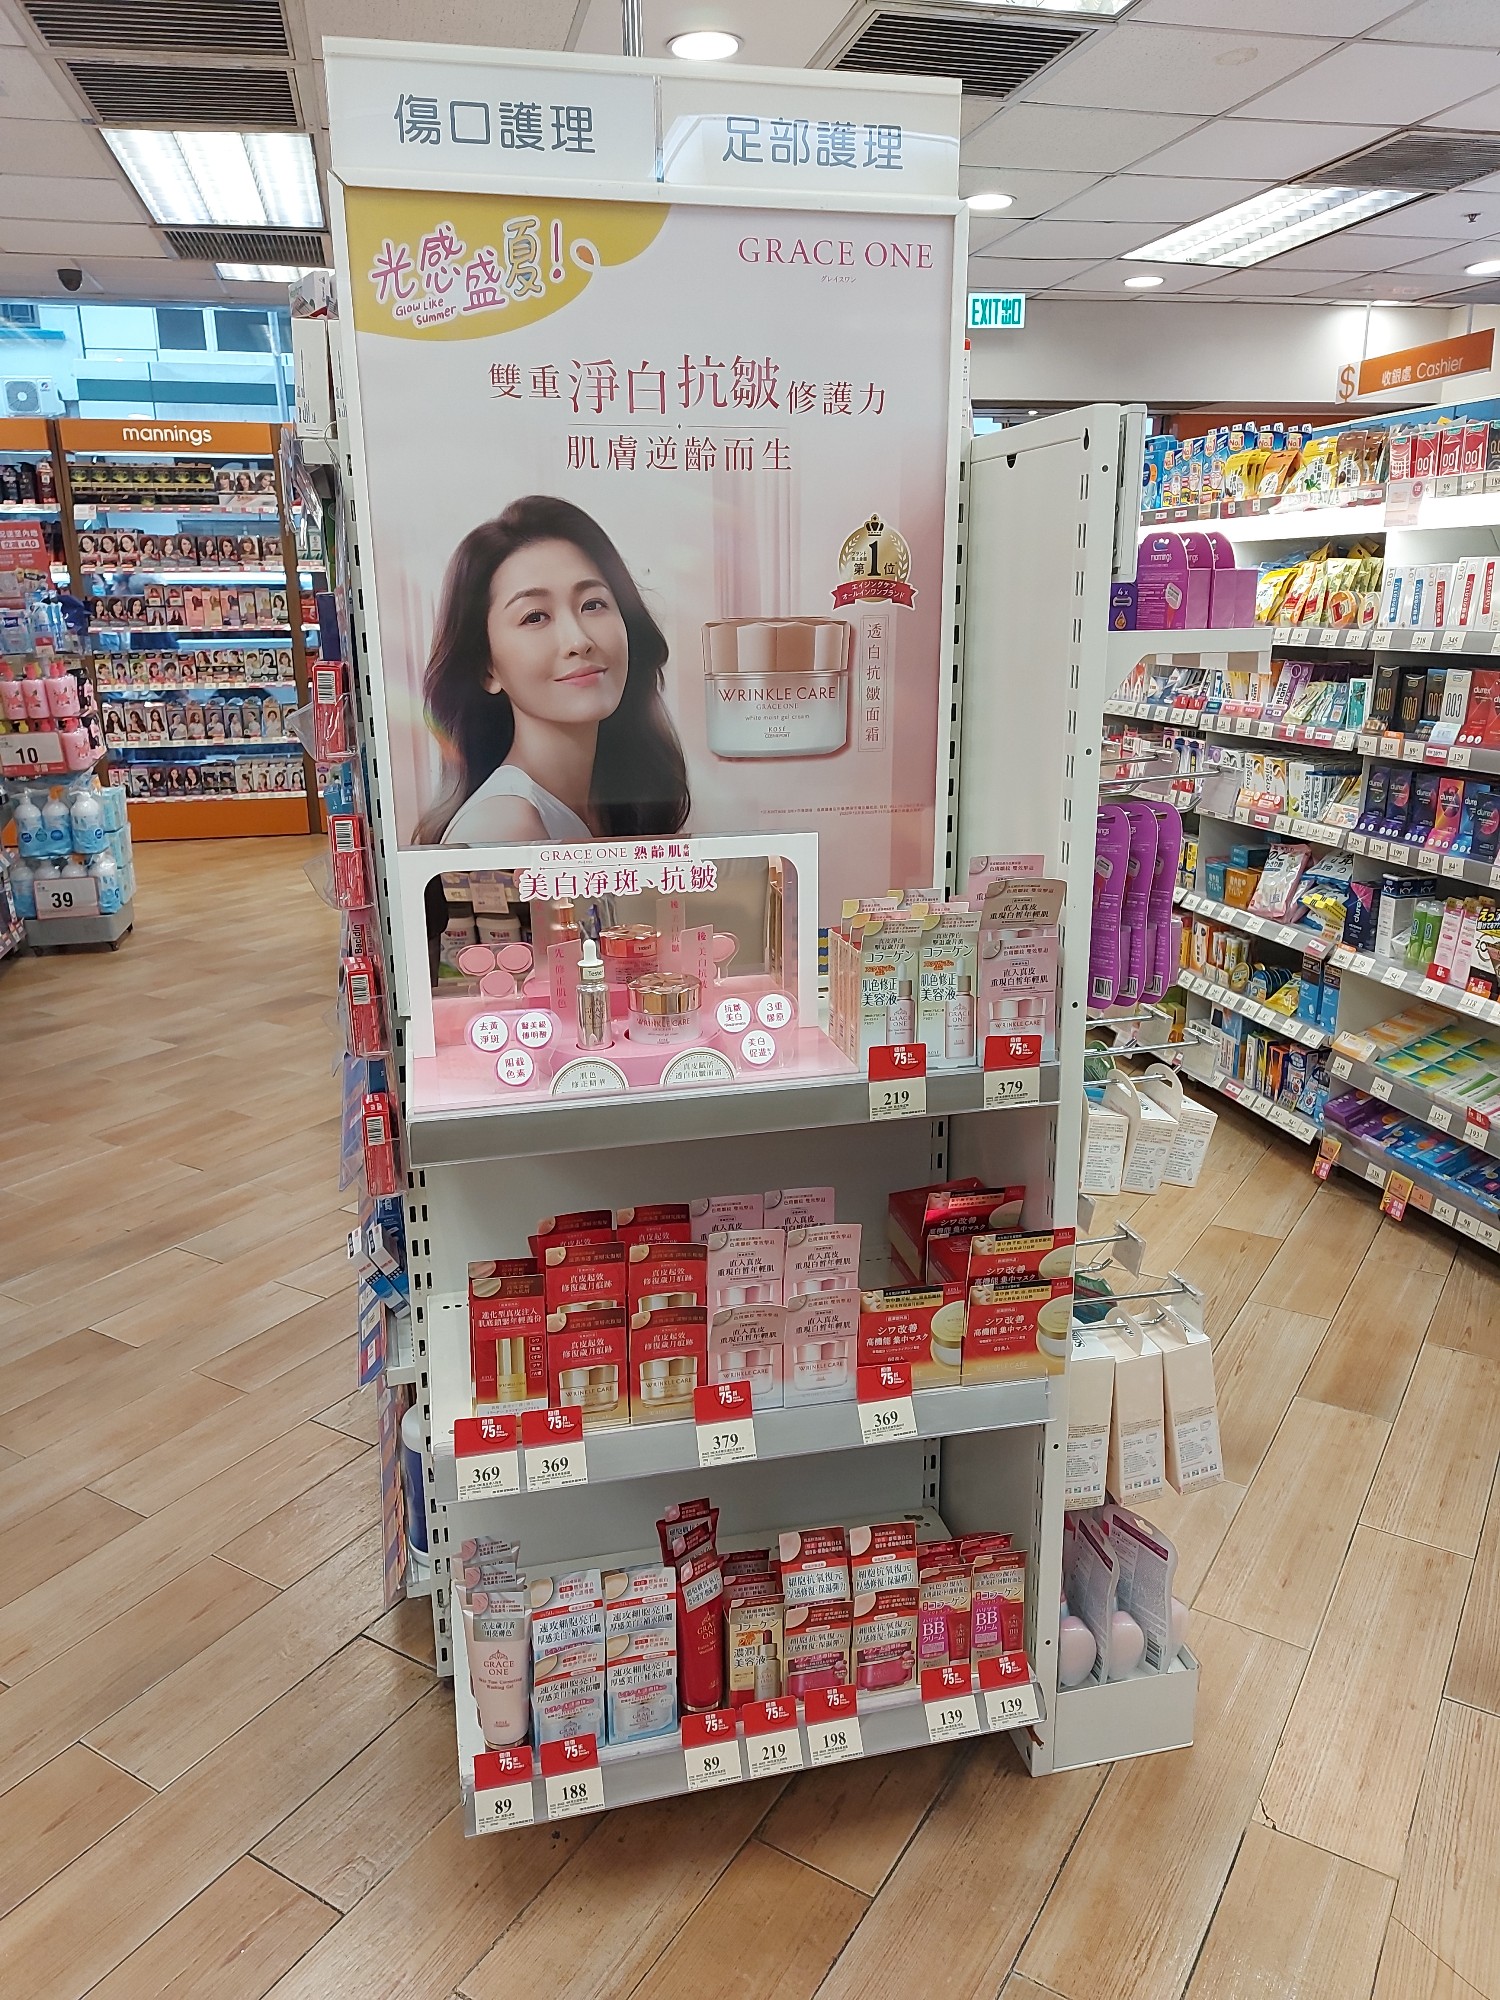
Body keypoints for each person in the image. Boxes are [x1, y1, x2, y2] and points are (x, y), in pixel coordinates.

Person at [415, 495, 690, 844]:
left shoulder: (611, 800)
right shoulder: (503, 826)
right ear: (487, 668)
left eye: (593, 604)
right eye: (535, 617)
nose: (579, 641)